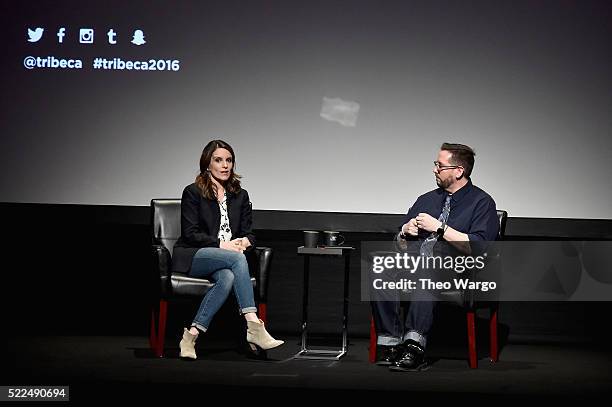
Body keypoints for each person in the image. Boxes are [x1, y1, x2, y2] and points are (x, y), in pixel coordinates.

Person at [371, 143, 499, 371]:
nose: (435, 169)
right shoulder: (426, 200)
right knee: (381, 268)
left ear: (459, 170)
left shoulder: (482, 202)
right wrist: (404, 231)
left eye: (440, 165)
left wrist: (439, 227)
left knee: (430, 267)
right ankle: (391, 344)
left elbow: (478, 247)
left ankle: (413, 346)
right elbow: (399, 245)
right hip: (416, 263)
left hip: (458, 269)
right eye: (435, 164)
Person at [172, 139, 284, 360]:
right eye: (218, 160)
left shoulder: (240, 195)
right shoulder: (193, 192)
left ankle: (190, 337)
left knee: (227, 278)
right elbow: (190, 233)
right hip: (194, 255)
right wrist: (224, 245)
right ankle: (253, 325)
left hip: (224, 260)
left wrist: (245, 242)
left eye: (229, 160)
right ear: (207, 164)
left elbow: (250, 232)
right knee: (236, 260)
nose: (224, 165)